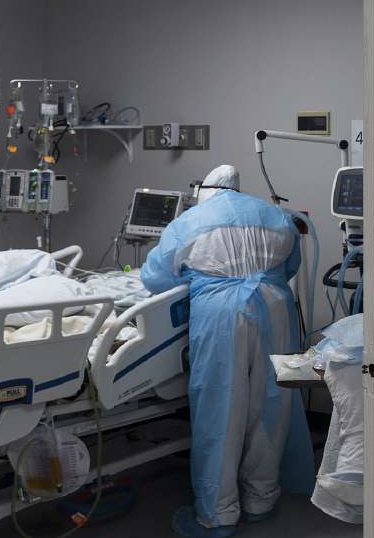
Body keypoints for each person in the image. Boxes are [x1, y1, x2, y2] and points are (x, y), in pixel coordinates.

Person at [141, 165, 315, 537]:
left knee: (220, 409)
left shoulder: (190, 221)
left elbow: (155, 278)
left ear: (205, 190)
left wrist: (203, 277)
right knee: (272, 405)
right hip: (275, 308)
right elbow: (289, 267)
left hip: (221, 312)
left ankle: (218, 513)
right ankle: (261, 499)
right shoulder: (274, 215)